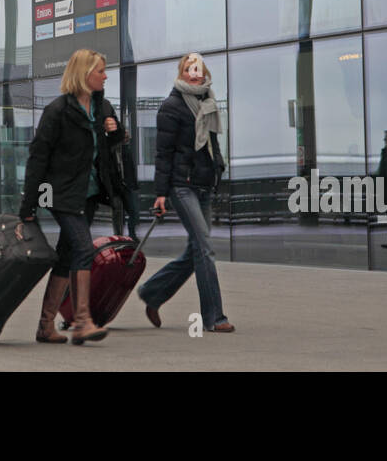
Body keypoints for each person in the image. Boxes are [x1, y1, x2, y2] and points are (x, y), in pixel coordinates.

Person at [20, 48, 124, 345]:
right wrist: (29, 207)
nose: (105, 76)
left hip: (88, 193)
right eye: (101, 71)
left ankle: (45, 327)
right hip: (59, 193)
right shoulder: (57, 111)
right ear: (84, 74)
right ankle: (81, 322)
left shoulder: (102, 108)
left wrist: (115, 132)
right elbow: (37, 160)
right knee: (83, 248)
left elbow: (113, 143)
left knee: (67, 256)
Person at [137, 52, 233, 333]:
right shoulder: (172, 106)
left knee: (195, 252)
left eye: (199, 69)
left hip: (204, 184)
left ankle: (153, 293)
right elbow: (163, 153)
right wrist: (160, 193)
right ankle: (215, 317)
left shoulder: (209, 102)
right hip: (182, 186)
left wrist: (218, 169)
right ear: (182, 73)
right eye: (190, 69)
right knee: (205, 247)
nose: (195, 73)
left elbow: (212, 145)